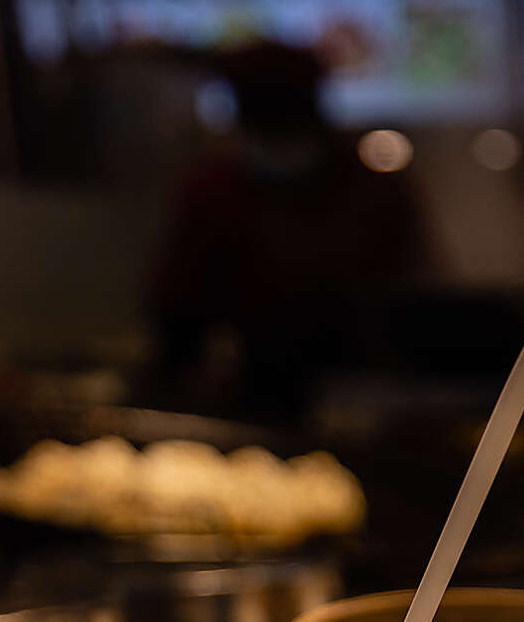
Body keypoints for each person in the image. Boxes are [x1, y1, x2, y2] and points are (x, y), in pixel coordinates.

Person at [146, 40, 426, 423]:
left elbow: (414, 292)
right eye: (263, 114)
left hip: (366, 395)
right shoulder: (212, 190)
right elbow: (175, 310)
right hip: (249, 400)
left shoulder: (369, 189)